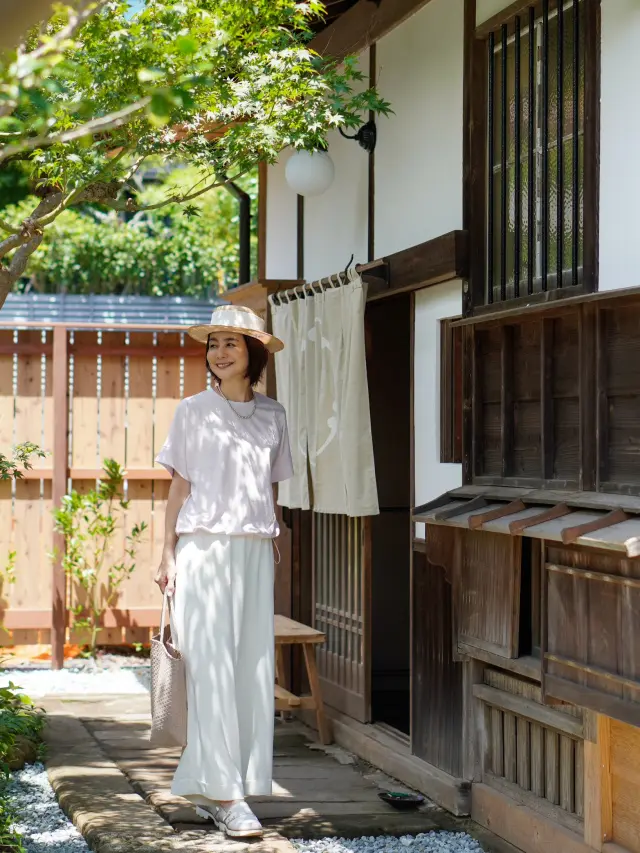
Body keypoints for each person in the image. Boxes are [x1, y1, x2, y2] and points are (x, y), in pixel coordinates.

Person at [154, 305, 292, 839]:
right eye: (214, 343)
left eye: (231, 343)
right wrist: (166, 555)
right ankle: (228, 798)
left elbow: (271, 491)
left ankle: (214, 784)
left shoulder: (274, 416)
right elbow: (178, 489)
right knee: (210, 670)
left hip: (255, 551)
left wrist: (274, 542)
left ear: (252, 352)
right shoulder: (191, 410)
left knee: (250, 672)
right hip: (203, 550)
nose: (219, 352)